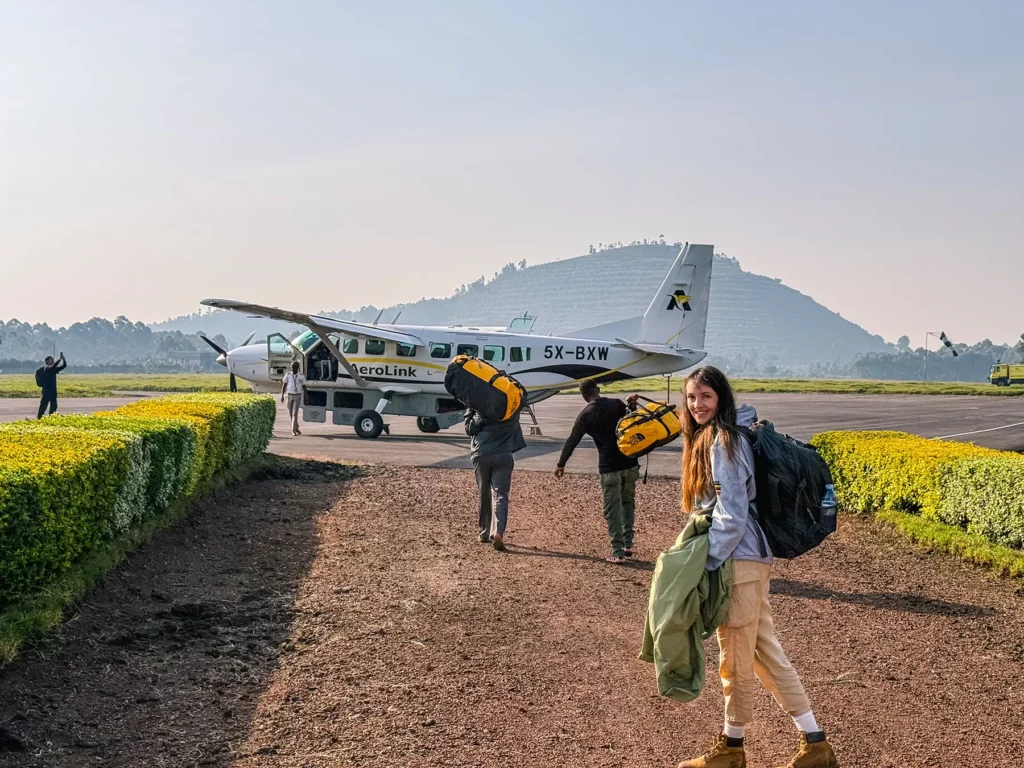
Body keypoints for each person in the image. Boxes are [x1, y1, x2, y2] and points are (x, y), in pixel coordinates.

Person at [676, 366, 838, 768]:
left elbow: (731, 514)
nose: (698, 405)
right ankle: (815, 744)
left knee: (734, 656)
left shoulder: (723, 443)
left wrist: (707, 561)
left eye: (706, 397)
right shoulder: (719, 438)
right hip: (750, 557)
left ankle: (731, 751)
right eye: (692, 397)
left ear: (722, 399)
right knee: (763, 653)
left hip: (739, 560)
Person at [554, 379, 640, 563]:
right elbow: (633, 421)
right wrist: (630, 404)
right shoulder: (617, 404)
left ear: (584, 396)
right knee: (628, 504)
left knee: (612, 509)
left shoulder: (585, 415)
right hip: (630, 463)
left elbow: (572, 440)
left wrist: (561, 464)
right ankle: (628, 544)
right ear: (598, 390)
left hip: (609, 467)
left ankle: (617, 552)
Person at [465, 404, 526, 551]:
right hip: (504, 454)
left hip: (482, 454)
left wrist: (470, 410)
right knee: (501, 494)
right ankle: (498, 532)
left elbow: (470, 429)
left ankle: (484, 532)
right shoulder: (511, 406)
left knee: (484, 492)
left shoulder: (482, 404)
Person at [36, 352, 67, 419]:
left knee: (54, 406)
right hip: (47, 391)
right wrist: (59, 360)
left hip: (53, 390)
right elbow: (53, 367)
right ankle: (39, 418)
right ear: (47, 361)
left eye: (53, 359)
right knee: (43, 405)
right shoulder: (46, 369)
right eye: (51, 359)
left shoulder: (54, 369)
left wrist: (63, 359)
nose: (53, 360)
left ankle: (51, 418)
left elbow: (64, 366)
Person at [280, 361, 306, 436]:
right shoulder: (288, 375)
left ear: (297, 367)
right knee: (290, 413)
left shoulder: (301, 376)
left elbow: (304, 386)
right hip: (289, 395)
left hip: (297, 395)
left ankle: (293, 430)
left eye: (294, 366)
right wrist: (282, 395)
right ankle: (296, 426)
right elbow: (284, 385)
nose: (292, 368)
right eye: (292, 366)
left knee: (295, 413)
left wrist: (306, 396)